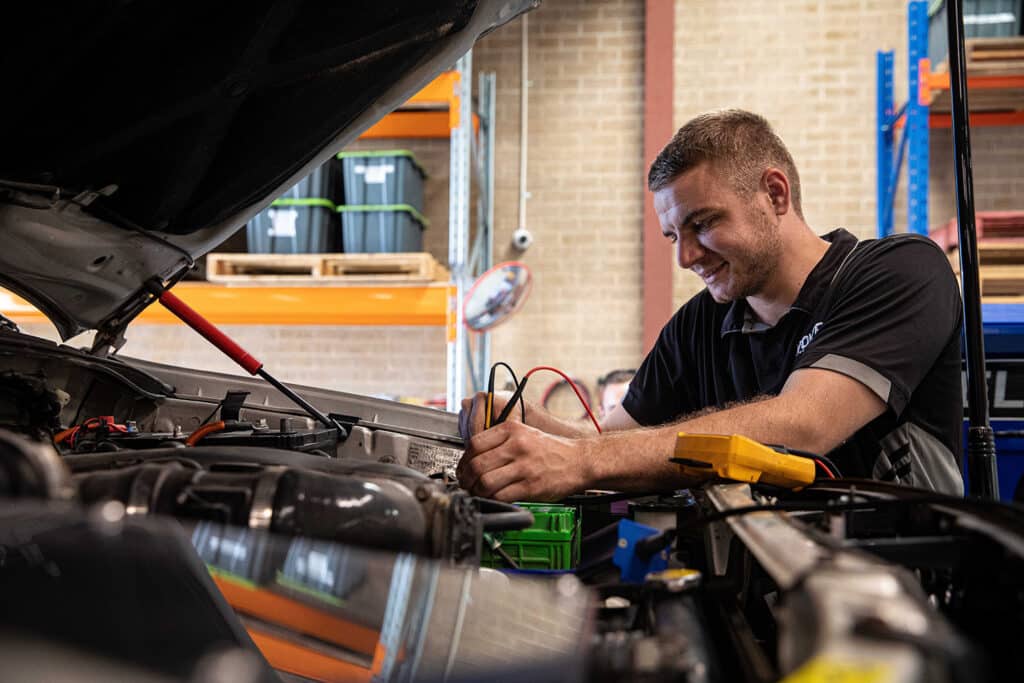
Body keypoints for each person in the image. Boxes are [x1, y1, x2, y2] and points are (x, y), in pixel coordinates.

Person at [457, 110, 964, 502]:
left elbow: (803, 424)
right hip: (759, 596)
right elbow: (612, 445)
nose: (684, 257)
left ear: (775, 193)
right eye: (673, 235)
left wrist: (581, 458)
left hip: (899, 601)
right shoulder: (699, 325)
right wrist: (527, 422)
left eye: (702, 224)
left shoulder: (898, 272)